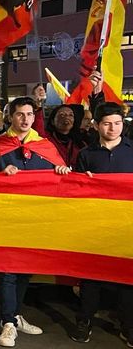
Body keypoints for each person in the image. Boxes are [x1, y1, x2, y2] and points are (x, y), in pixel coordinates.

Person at [0, 96, 70, 348]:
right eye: (20, 114)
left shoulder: (45, 147)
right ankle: (7, 322)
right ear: (10, 116)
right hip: (6, 218)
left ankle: (16, 315)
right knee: (8, 270)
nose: (25, 119)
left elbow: (63, 180)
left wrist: (62, 171)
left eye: (30, 114)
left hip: (35, 219)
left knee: (25, 269)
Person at [70, 102, 133, 346]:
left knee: (127, 278)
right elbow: (76, 192)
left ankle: (127, 325)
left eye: (118, 123)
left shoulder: (131, 151)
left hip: (126, 226)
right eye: (107, 123)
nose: (113, 128)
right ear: (96, 125)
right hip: (95, 225)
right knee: (90, 277)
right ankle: (84, 321)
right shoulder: (86, 155)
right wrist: (84, 182)